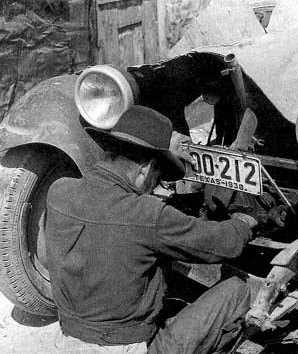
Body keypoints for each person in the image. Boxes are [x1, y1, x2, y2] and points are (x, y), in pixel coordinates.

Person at [45, 105, 260, 354]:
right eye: (158, 178)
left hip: (69, 339)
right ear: (146, 168)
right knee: (238, 290)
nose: (155, 187)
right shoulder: (147, 215)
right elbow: (223, 243)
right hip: (124, 347)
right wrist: (245, 223)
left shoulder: (59, 191)